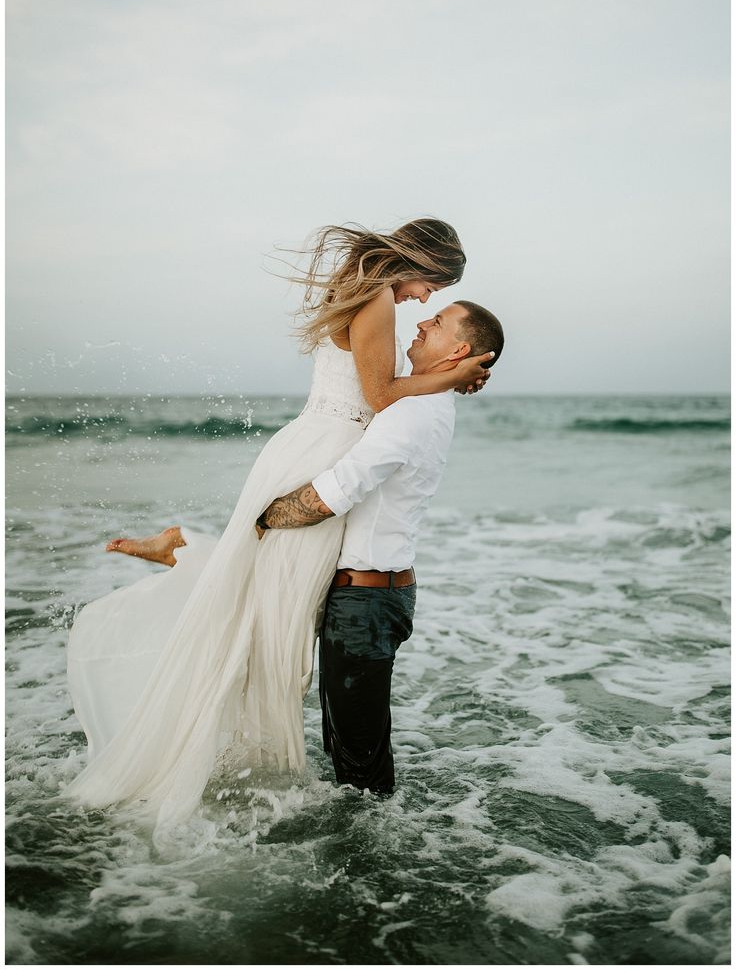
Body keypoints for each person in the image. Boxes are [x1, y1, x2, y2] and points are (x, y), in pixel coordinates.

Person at [64, 219, 493, 832]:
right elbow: (378, 395)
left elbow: (384, 388)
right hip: (326, 453)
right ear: (416, 263)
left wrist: (451, 375)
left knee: (266, 595)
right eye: (432, 285)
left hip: (312, 445)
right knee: (273, 607)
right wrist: (451, 375)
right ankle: (186, 553)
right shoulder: (376, 299)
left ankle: (186, 547)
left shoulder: (363, 290)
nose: (426, 300)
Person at [256, 300, 504, 794]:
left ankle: (373, 862)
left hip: (366, 603)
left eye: (437, 322)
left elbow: (336, 492)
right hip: (372, 596)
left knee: (360, 770)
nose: (420, 320)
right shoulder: (424, 403)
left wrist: (263, 517)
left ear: (457, 349)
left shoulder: (412, 413)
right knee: (349, 752)